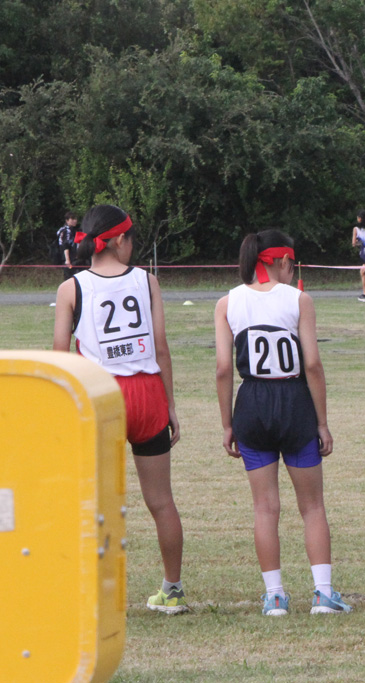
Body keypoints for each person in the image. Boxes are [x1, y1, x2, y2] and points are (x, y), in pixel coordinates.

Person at [52, 204, 187, 614]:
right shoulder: (147, 282)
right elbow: (160, 348)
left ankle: (93, 592)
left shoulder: (71, 288)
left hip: (100, 395)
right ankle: (173, 590)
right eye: (131, 239)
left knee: (94, 500)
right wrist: (171, 406)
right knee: (161, 500)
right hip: (147, 393)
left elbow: (60, 354)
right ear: (118, 240)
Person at [215, 229, 350, 616]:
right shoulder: (299, 300)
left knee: (264, 508)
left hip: (251, 402)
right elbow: (312, 364)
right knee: (312, 507)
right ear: (280, 262)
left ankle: (274, 596)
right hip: (293, 401)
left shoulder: (227, 302)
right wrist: (322, 422)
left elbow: (225, 369)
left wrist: (228, 423)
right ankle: (323, 593)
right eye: (292, 264)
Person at [56, 211, 79, 281]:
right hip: (68, 257)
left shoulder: (72, 230)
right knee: (69, 277)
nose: (75, 221)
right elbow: (65, 245)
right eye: (72, 219)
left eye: (75, 219)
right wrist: (67, 259)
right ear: (67, 220)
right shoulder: (67, 231)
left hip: (71, 256)